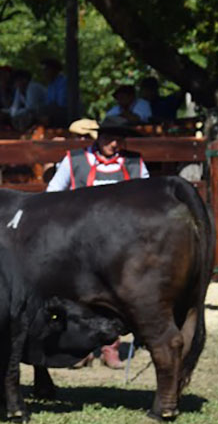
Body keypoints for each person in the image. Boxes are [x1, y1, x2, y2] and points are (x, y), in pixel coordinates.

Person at [46, 115, 149, 369]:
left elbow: (149, 201)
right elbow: (51, 195)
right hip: (81, 242)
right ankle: (81, 347)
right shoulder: (75, 160)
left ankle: (110, 345)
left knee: (118, 296)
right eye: (110, 138)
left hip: (122, 244)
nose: (115, 144)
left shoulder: (134, 163)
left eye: (119, 139)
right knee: (79, 295)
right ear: (99, 137)